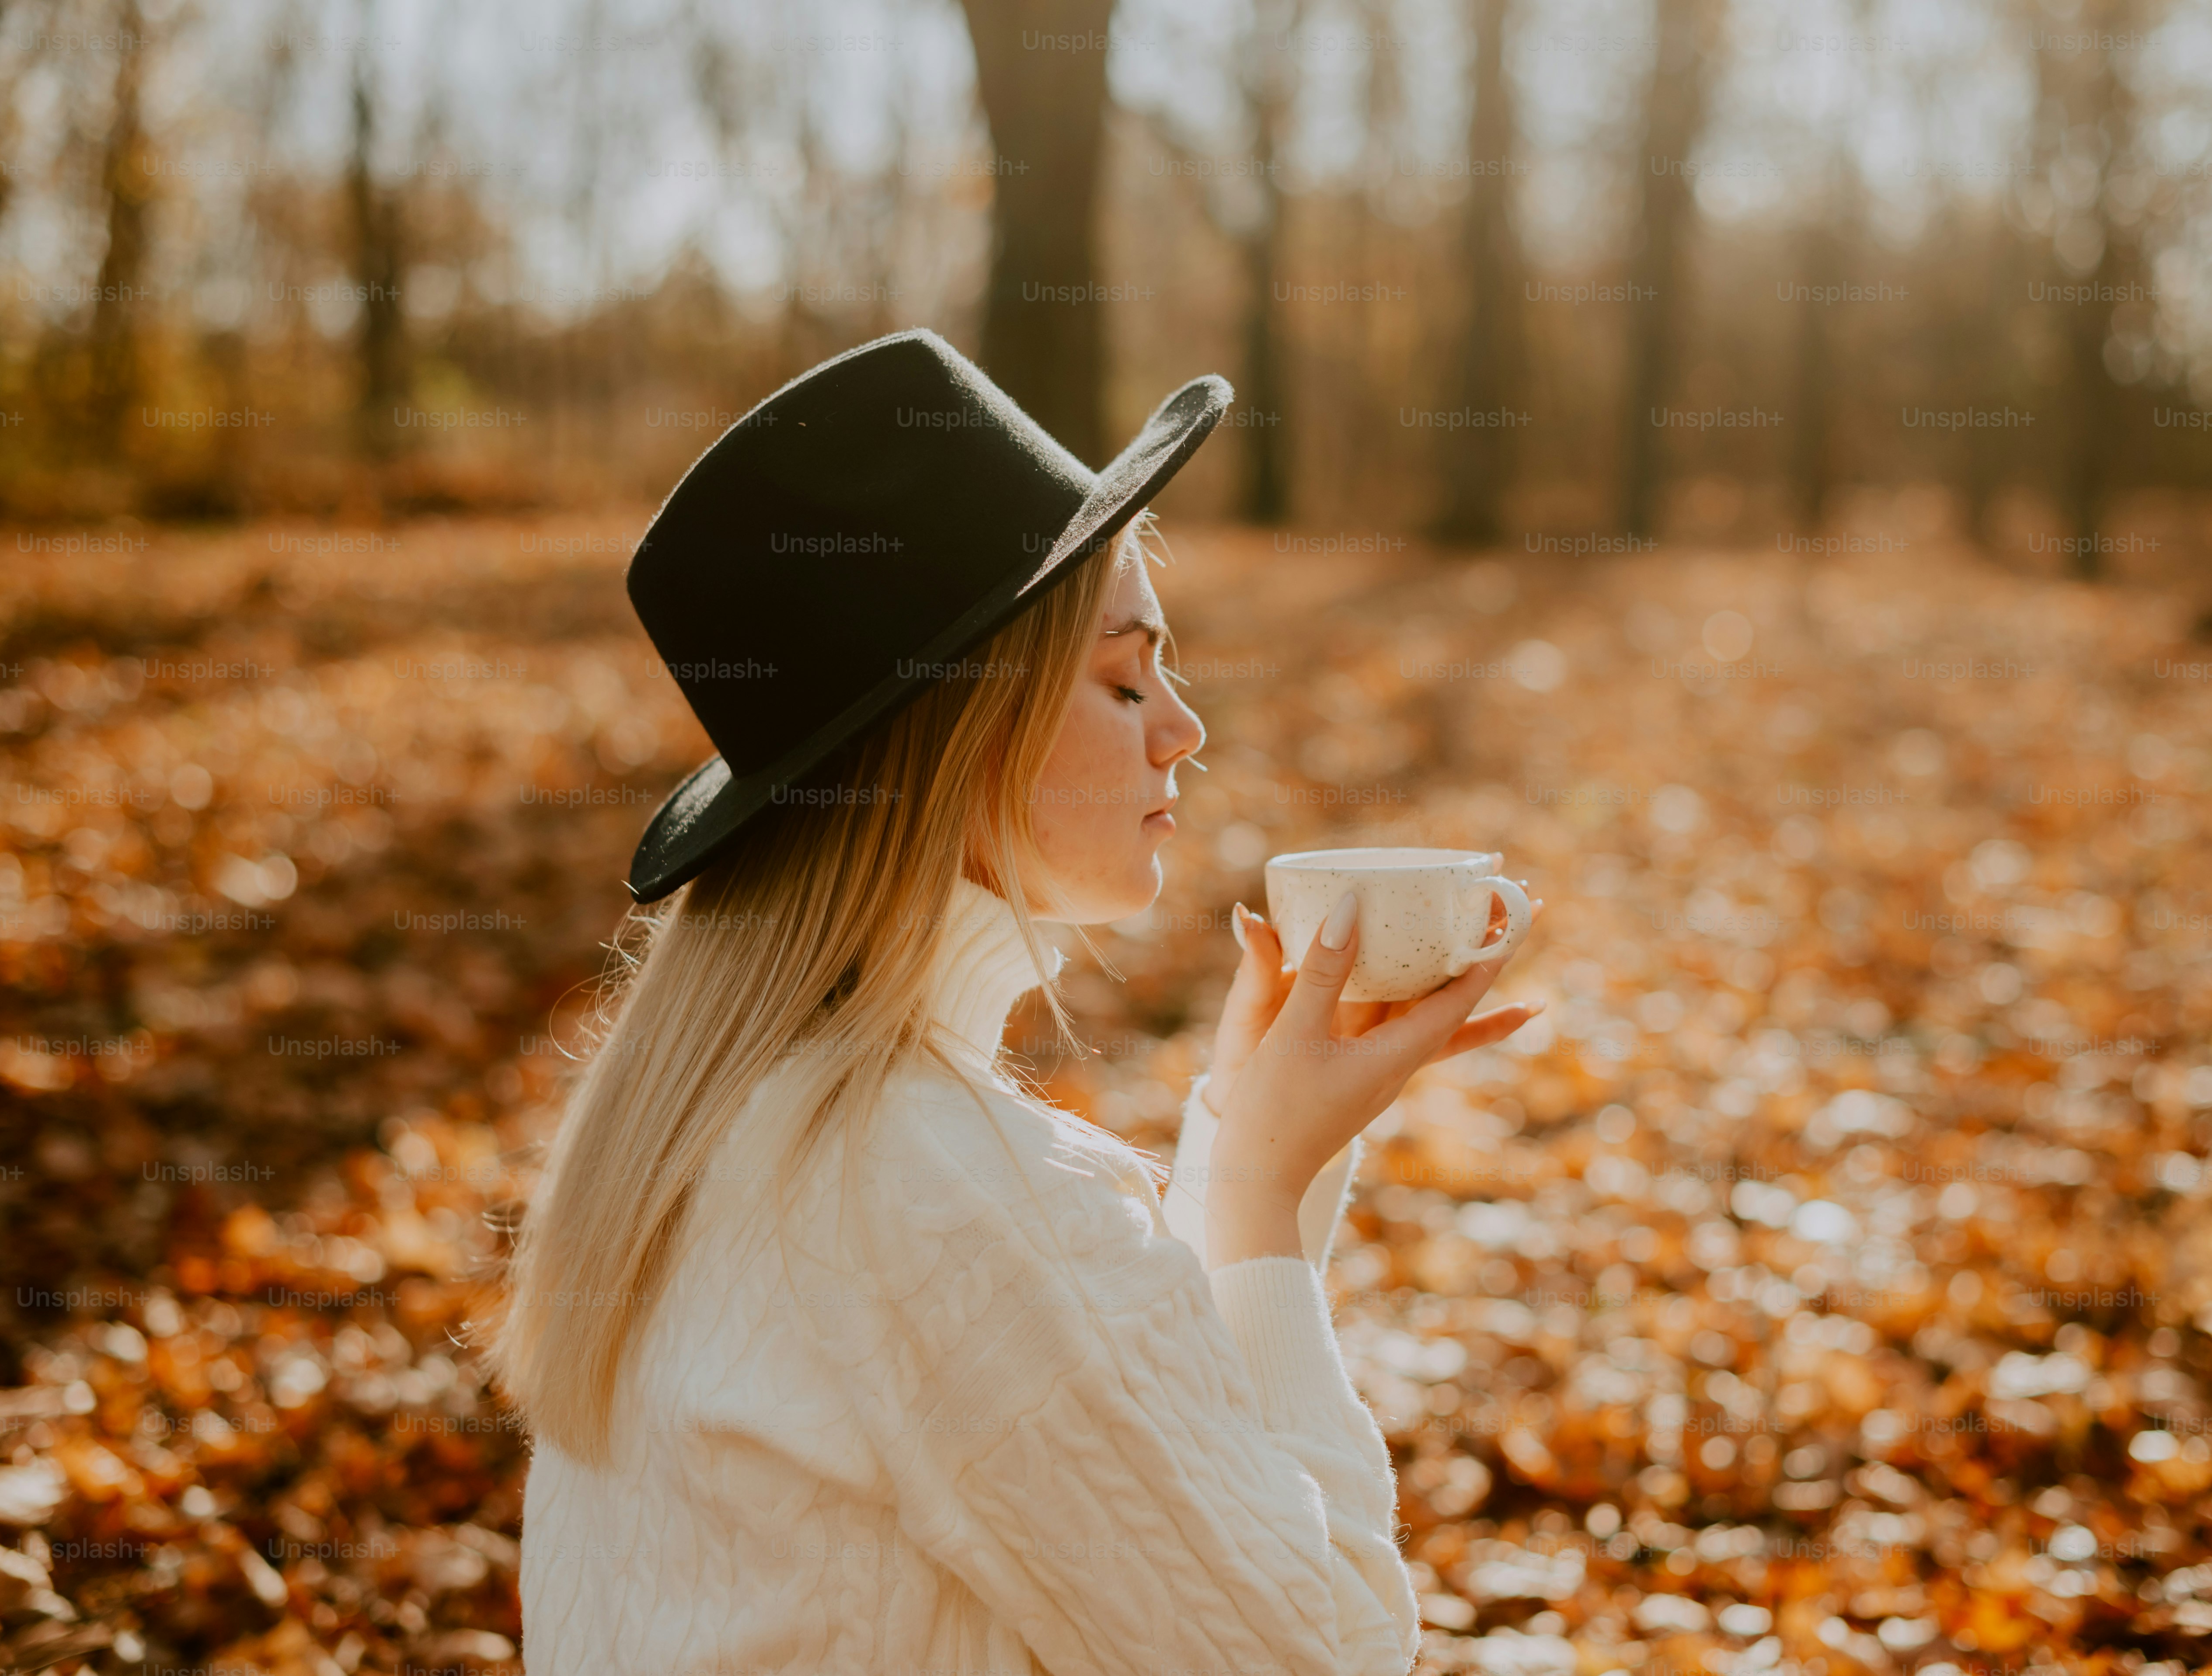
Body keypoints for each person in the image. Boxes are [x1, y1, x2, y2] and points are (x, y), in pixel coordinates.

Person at [490, 329, 1540, 1675]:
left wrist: (1255, 1140)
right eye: (1120, 679)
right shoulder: (932, 1182)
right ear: (949, 742)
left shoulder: (696, 1123)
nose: (1182, 726)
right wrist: (1260, 1197)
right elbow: (1316, 1656)